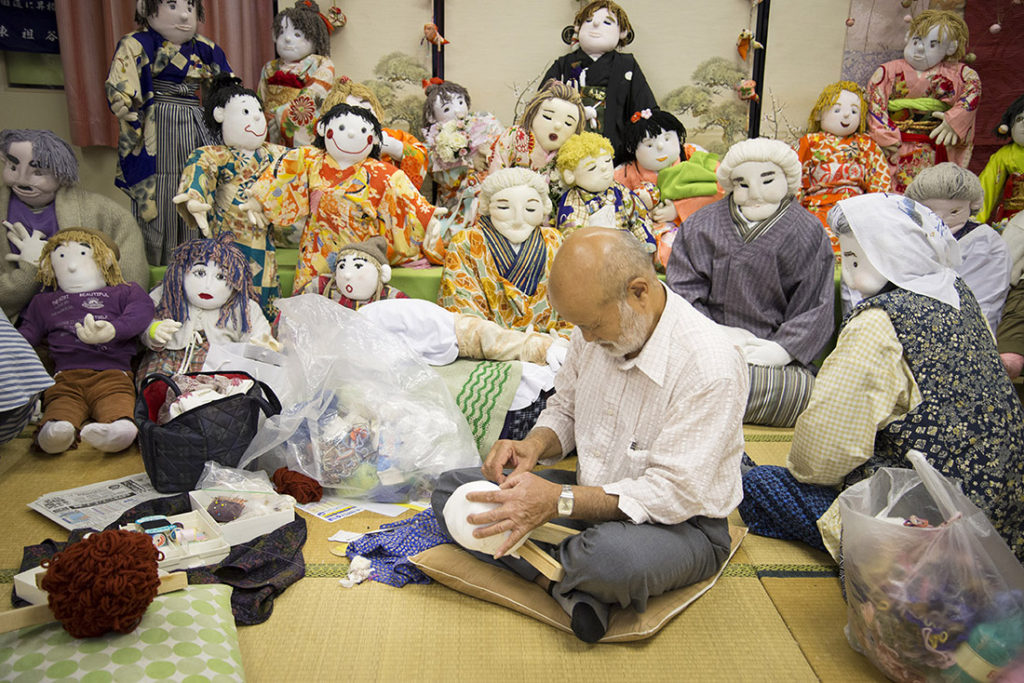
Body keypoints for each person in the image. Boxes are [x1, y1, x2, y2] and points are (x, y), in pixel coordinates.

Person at [432, 227, 747, 643]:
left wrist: (557, 502)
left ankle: (562, 574)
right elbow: (565, 408)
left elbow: (673, 493)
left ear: (639, 292)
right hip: (590, 494)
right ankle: (569, 588)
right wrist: (534, 446)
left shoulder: (710, 366)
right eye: (577, 326)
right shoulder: (592, 331)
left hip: (682, 525)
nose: (585, 338)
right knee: (453, 490)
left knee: (611, 562)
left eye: (593, 325)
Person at [739, 193, 1024, 563]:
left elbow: (824, 449)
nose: (852, 273)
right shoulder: (959, 294)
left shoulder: (880, 322)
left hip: (929, 530)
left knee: (759, 487)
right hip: (1002, 516)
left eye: (856, 258)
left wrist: (802, 473)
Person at [666, 138, 835, 427]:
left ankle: (700, 407)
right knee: (669, 375)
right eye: (743, 184)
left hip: (772, 358)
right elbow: (682, 292)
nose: (755, 192)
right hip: (708, 349)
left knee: (803, 393)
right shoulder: (701, 225)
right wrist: (715, 334)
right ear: (730, 185)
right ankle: (702, 400)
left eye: (767, 181)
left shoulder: (808, 231)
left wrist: (783, 350)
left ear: (788, 180)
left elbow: (816, 303)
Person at [252, 102, 446, 294]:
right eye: (342, 128)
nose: (352, 134)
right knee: (310, 300)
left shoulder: (379, 171)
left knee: (358, 300)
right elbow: (285, 176)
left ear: (375, 139)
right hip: (316, 248)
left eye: (363, 130)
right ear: (322, 128)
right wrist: (258, 201)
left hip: (361, 250)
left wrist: (427, 216)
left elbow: (404, 194)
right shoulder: (310, 159)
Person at [106, 0, 233, 265]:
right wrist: (123, 102)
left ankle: (201, 260)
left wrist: (231, 110)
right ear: (146, 9)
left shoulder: (205, 48)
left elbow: (226, 86)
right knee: (160, 189)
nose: (185, 15)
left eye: (190, 7)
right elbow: (122, 83)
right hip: (156, 120)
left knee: (199, 183)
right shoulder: (137, 43)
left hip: (198, 120)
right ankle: (155, 262)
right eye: (172, 6)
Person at [18, 229, 154, 454]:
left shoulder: (124, 291)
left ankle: (117, 431)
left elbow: (142, 311)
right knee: (60, 406)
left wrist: (112, 330)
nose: (71, 266)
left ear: (106, 258)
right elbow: (27, 334)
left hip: (113, 374)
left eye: (83, 253)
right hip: (65, 377)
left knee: (120, 404)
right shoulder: (44, 301)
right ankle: (57, 432)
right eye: (61, 257)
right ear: (48, 265)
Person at [1, 129, 148, 321]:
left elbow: (131, 287)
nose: (22, 179)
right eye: (13, 168)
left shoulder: (106, 213)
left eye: (37, 172)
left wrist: (114, 322)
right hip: (16, 327)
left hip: (90, 321)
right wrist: (30, 270)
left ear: (61, 172)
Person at [174, 75, 288, 321]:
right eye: (246, 111)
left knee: (263, 292)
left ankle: (264, 336)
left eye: (258, 110)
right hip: (225, 239)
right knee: (223, 290)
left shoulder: (274, 153)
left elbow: (304, 162)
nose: (257, 117)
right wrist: (194, 197)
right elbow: (199, 168)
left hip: (261, 241)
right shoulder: (214, 154)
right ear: (220, 115)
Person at [437, 167, 572, 337]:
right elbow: (462, 306)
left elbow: (573, 300)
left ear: (544, 208)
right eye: (503, 208)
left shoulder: (554, 240)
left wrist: (563, 338)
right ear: (487, 206)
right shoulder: (466, 242)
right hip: (491, 346)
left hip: (553, 343)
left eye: (530, 209)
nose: (517, 219)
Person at [865, 9, 980, 193]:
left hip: (934, 144)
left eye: (932, 44)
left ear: (950, 48)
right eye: (916, 40)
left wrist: (954, 120)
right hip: (896, 144)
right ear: (908, 38)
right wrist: (884, 136)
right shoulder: (888, 71)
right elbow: (875, 102)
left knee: (930, 193)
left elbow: (973, 90)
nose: (919, 48)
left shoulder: (960, 74)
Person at [541, 0, 656, 164]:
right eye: (588, 21)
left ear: (622, 32)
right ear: (578, 28)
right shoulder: (563, 64)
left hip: (615, 154)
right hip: (568, 152)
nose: (595, 24)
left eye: (607, 22)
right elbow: (541, 105)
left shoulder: (626, 65)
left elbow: (645, 107)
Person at [905, 163, 1011, 332]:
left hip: (961, 333)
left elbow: (980, 302)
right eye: (928, 210)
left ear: (972, 206)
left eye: (954, 212)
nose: (940, 219)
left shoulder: (983, 242)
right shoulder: (908, 234)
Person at [614, 108, 723, 268]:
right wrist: (642, 212)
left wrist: (678, 209)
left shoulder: (693, 155)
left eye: (667, 138)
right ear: (632, 149)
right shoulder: (624, 172)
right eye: (649, 144)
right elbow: (611, 200)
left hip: (694, 223)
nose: (660, 147)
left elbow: (720, 189)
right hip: (650, 230)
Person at [796, 81, 891, 252]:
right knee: (814, 240)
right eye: (837, 110)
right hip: (817, 206)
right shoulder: (809, 143)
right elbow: (793, 177)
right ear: (818, 114)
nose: (846, 115)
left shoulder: (867, 144)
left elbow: (879, 181)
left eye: (854, 111)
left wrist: (877, 212)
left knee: (861, 243)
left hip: (857, 209)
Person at [487, 79, 586, 206]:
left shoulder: (569, 150)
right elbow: (496, 173)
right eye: (548, 117)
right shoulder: (516, 136)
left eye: (568, 123)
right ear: (533, 113)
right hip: (507, 202)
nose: (557, 126)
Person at [322, 77, 430, 190]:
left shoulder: (389, 135)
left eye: (367, 110)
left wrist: (394, 147)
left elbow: (421, 154)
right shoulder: (330, 141)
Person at [554, 131, 654, 250]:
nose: (604, 168)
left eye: (607, 161)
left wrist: (646, 244)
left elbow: (638, 216)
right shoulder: (574, 200)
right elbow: (573, 232)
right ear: (570, 175)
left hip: (625, 248)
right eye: (592, 168)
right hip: (596, 252)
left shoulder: (620, 190)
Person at [257, 0, 335, 147]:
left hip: (293, 126)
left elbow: (314, 96)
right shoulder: (269, 67)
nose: (287, 39)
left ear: (315, 39)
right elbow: (261, 98)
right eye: (281, 33)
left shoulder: (321, 64)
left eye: (297, 34)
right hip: (269, 129)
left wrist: (280, 115)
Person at [977, 93, 1024, 225]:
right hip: (1012, 218)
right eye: (1019, 119)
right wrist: (976, 219)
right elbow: (988, 184)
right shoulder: (1004, 155)